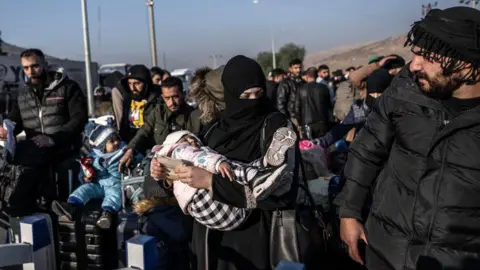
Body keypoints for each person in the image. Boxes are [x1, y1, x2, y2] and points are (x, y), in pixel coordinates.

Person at [336, 7, 480, 270]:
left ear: (466, 63)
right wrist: (349, 212)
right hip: (384, 249)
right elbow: (367, 149)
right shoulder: (406, 88)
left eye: (427, 56)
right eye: (415, 54)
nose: (414, 64)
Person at [151, 55, 299, 270]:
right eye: (245, 95)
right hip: (208, 238)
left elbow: (281, 187)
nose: (253, 101)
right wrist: (168, 173)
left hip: (252, 236)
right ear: (230, 94)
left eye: (258, 93)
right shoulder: (214, 127)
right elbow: (194, 160)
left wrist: (212, 182)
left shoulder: (278, 128)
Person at [148, 129, 295, 231]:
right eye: (190, 140)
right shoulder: (181, 149)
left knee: (239, 168)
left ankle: (263, 170)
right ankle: (261, 172)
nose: (194, 143)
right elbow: (198, 157)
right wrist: (217, 163)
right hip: (214, 205)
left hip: (220, 213)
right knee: (232, 168)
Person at [0, 48, 88, 210]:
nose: (30, 71)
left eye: (35, 66)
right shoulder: (23, 94)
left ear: (45, 64)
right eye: (25, 68)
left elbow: (79, 119)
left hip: (65, 155)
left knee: (66, 207)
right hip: (35, 158)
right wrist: (6, 129)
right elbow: (15, 120)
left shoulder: (68, 87)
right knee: (37, 207)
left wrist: (53, 139)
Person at [51, 124, 127, 229]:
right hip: (98, 184)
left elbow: (119, 172)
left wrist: (100, 165)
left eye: (117, 139)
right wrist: (85, 178)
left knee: (114, 195)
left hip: (114, 184)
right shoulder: (93, 156)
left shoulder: (123, 153)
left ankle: (107, 214)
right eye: (112, 141)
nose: (117, 142)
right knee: (84, 189)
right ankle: (72, 206)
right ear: (102, 146)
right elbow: (83, 172)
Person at [111, 64, 161, 142]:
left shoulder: (157, 100)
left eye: (137, 83)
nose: (132, 88)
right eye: (129, 83)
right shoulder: (128, 100)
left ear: (146, 83)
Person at [295, 68, 331, 139]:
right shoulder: (324, 88)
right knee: (322, 146)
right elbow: (329, 107)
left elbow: (297, 108)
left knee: (308, 147)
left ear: (307, 76)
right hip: (322, 123)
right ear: (317, 76)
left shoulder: (301, 89)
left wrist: (299, 124)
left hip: (307, 124)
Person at [276, 59, 303, 124]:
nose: (298, 70)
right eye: (295, 68)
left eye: (300, 67)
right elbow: (280, 103)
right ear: (290, 69)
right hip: (292, 118)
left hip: (302, 117)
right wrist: (286, 119)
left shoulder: (302, 82)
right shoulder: (285, 83)